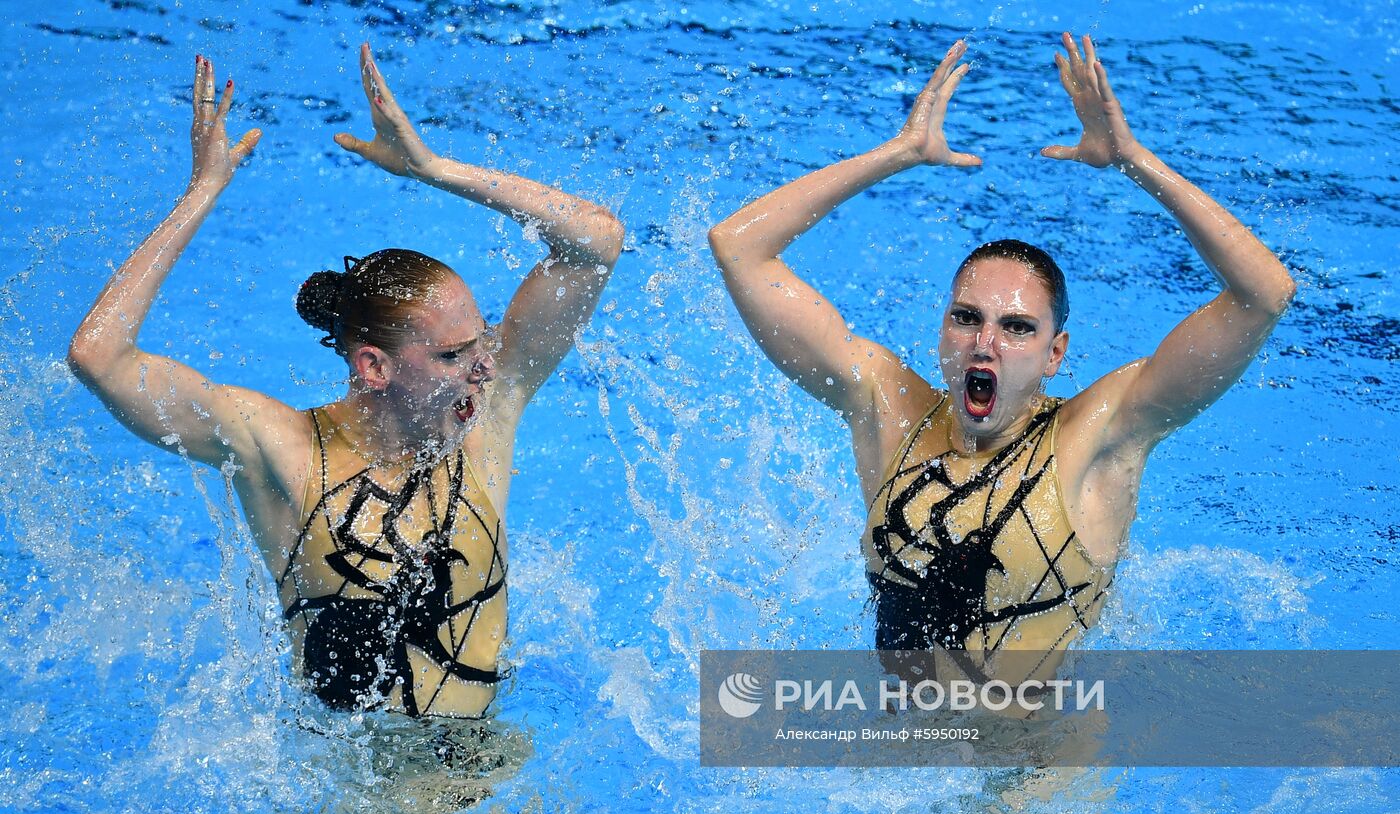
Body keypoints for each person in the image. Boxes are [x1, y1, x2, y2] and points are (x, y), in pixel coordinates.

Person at [67, 46, 624, 719]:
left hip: (481, 791)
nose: (482, 367)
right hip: (343, 809)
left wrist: (435, 168)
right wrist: (202, 191)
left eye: (480, 343)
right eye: (452, 356)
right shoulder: (279, 446)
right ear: (373, 367)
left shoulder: (484, 417)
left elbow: (594, 240)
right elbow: (99, 357)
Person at [708, 35, 1295, 666]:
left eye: (1016, 328)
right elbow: (739, 248)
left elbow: (1263, 294)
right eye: (966, 319)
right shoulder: (888, 410)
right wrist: (897, 154)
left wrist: (1133, 160)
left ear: (1054, 354)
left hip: (1039, 759)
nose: (984, 342)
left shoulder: (1101, 434)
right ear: (941, 331)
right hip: (895, 747)